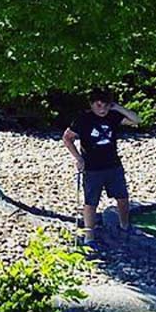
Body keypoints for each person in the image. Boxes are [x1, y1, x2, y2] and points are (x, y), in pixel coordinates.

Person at [62, 91, 141, 237]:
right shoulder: (83, 119)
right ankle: (89, 236)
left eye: (105, 105)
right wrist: (78, 158)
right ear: (91, 104)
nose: (102, 109)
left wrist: (117, 107)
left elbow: (137, 120)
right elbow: (67, 138)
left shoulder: (113, 116)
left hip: (113, 165)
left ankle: (125, 226)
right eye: (98, 105)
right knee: (91, 203)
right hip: (92, 168)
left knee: (123, 198)